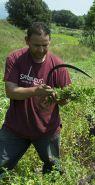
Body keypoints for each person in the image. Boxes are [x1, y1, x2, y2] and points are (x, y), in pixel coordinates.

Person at [0, 22, 71, 176]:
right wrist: (36, 90)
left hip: (46, 129)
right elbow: (10, 91)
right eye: (36, 45)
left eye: (45, 45)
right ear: (27, 41)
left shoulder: (58, 65)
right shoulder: (15, 59)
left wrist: (59, 98)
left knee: (53, 170)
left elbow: (66, 100)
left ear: (50, 41)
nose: (40, 50)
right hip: (15, 127)